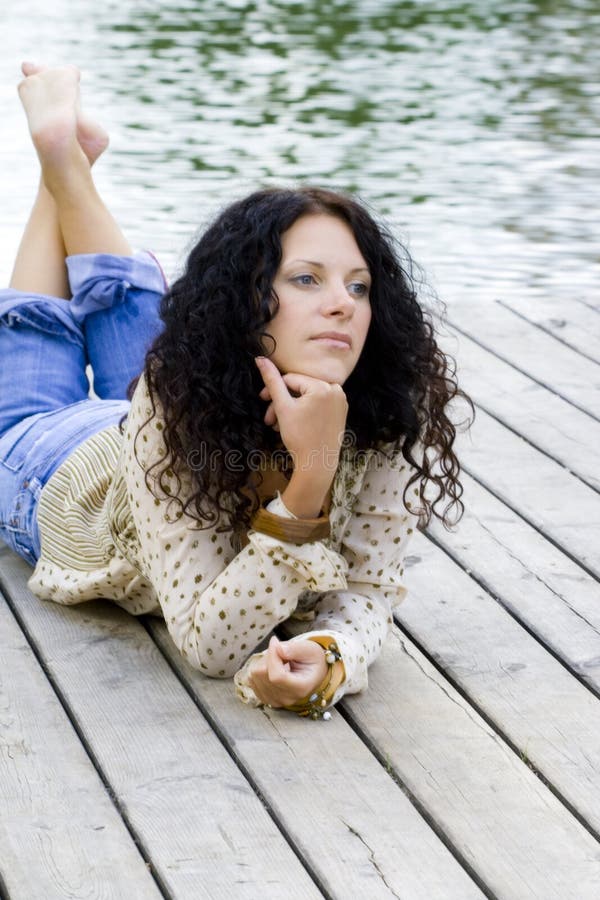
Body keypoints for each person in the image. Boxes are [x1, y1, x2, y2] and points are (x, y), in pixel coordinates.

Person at [0, 64, 470, 719]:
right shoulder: (175, 395)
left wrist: (333, 656)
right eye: (307, 279)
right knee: (34, 351)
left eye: (358, 286)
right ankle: (61, 164)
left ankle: (65, 162)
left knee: (147, 333)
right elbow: (213, 647)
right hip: (58, 473)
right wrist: (311, 476)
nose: (342, 303)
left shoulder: (385, 402)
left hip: (152, 424)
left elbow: (364, 590)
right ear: (244, 302)